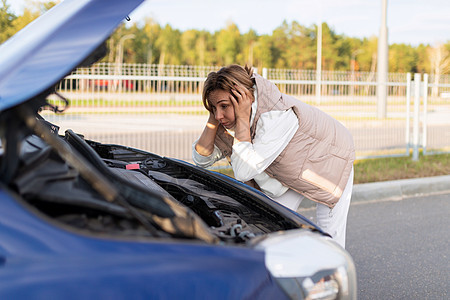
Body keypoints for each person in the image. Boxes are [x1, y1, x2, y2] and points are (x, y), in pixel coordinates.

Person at [192, 64, 355, 248]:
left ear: (244, 98)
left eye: (224, 106)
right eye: (214, 108)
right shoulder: (227, 118)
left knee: (330, 237)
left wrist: (242, 118)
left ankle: (333, 274)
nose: (219, 115)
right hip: (290, 170)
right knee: (271, 229)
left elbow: (244, 171)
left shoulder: (275, 117)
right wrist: (213, 117)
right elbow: (201, 160)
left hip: (331, 158)